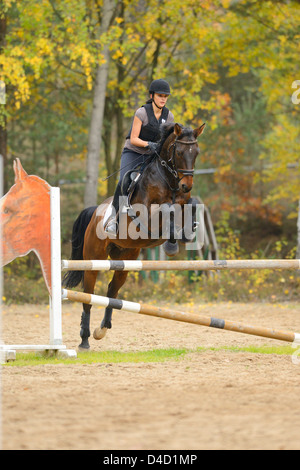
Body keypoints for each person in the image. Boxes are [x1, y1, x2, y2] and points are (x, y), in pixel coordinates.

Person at [105, 78, 175, 235]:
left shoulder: (169, 116)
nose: (163, 99)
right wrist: (149, 144)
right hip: (134, 152)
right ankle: (113, 219)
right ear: (152, 96)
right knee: (124, 180)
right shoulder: (142, 112)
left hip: (153, 155)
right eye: (160, 95)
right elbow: (134, 139)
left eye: (165, 96)